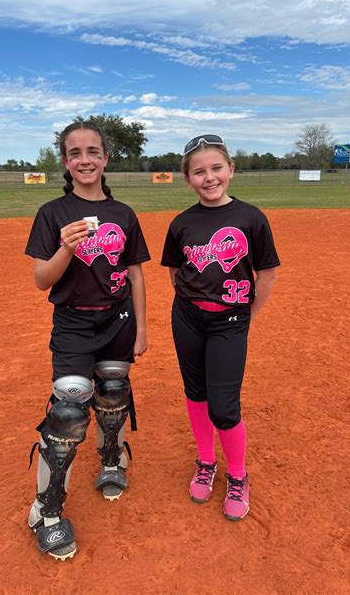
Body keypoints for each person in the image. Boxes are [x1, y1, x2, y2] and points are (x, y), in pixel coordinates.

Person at [25, 120, 150, 560]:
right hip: (74, 324)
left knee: (114, 392)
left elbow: (135, 274)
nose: (85, 160)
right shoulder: (52, 213)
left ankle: (112, 460)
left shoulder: (124, 214)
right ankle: (45, 512)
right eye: (75, 153)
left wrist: (142, 328)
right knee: (68, 411)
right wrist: (67, 247)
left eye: (93, 151)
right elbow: (42, 280)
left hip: (118, 320)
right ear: (65, 161)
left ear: (105, 158)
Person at [161, 134, 280, 521]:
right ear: (188, 179)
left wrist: (248, 316)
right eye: (199, 172)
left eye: (216, 168)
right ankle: (206, 462)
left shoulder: (251, 218)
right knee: (195, 393)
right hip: (188, 318)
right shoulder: (182, 223)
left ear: (230, 169)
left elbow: (267, 273)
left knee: (225, 407)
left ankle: (238, 476)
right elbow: (176, 271)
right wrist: (191, 302)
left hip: (231, 320)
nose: (209, 177)